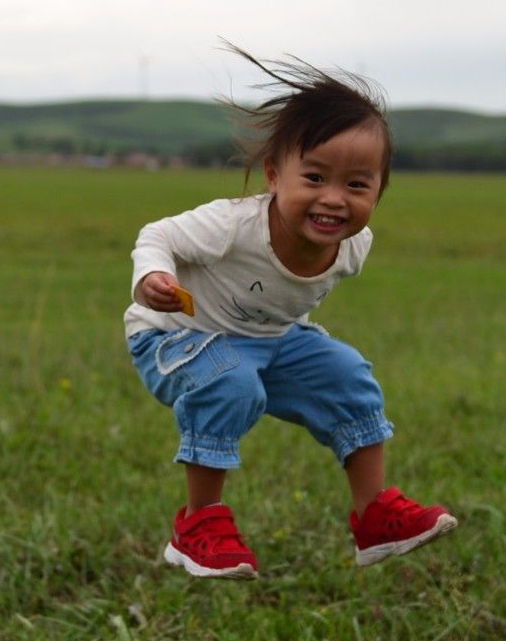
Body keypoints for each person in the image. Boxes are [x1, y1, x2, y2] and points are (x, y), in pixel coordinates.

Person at [125, 48, 458, 578]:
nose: (334, 199)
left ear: (379, 191)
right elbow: (158, 234)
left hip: (267, 340)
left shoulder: (354, 247)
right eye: (315, 178)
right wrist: (152, 278)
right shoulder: (234, 225)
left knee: (349, 374)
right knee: (233, 381)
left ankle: (374, 515)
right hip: (176, 336)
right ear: (275, 176)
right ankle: (198, 524)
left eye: (357, 185)